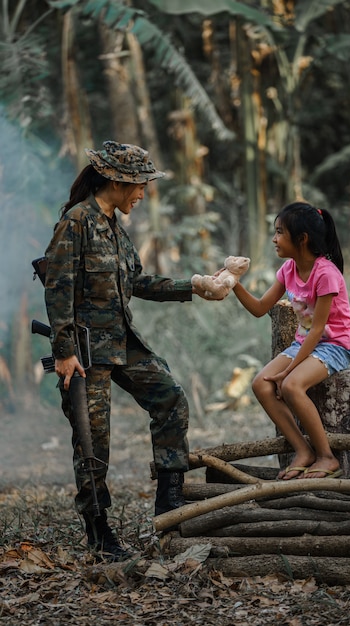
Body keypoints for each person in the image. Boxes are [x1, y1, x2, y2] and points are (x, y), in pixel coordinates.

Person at [44, 140, 214, 561]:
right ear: (117, 181)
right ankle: (99, 531)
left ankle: (169, 504)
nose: (142, 194)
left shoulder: (115, 229)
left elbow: (138, 283)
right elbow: (58, 288)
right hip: (85, 354)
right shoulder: (77, 222)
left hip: (122, 343)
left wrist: (191, 285)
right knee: (92, 441)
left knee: (170, 397)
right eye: (139, 185)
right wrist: (64, 351)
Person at [232, 201, 350, 481]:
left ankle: (327, 456)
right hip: (305, 345)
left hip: (335, 345)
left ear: (302, 239)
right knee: (261, 384)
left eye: (279, 232)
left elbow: (318, 329)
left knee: (291, 386)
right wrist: (234, 284)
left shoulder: (326, 274)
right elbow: (261, 308)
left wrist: (288, 371)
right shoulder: (288, 269)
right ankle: (303, 451)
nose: (274, 239)